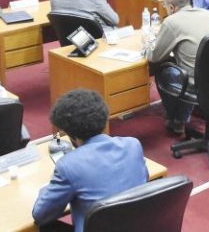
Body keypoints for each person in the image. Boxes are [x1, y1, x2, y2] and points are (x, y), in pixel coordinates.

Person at [32, 89, 147, 231]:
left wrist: (45, 189)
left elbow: (40, 215)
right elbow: (144, 179)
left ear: (70, 135)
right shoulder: (133, 145)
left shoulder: (68, 166)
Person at [145, 0, 209, 135]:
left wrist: (148, 43)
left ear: (172, 8)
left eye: (165, 6)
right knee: (187, 67)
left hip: (195, 82)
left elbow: (154, 57)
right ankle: (182, 117)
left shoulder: (171, 22)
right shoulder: (206, 14)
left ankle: (177, 120)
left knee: (163, 71)